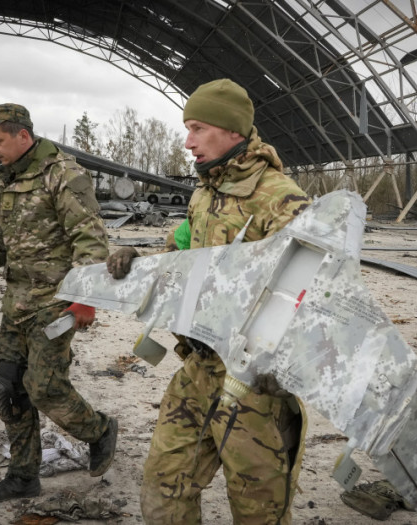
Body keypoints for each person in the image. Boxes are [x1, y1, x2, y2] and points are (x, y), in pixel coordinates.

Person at [107, 78, 312, 524]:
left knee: (259, 509)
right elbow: (182, 255)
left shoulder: (282, 199)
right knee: (165, 487)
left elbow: (314, 293)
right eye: (187, 128)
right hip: (197, 369)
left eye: (198, 128)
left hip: (252, 384)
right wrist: (140, 260)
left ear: (232, 130)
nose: (188, 141)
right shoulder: (204, 193)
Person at [0, 103, 117, 502]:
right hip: (17, 302)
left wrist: (86, 300)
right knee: (8, 389)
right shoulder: (8, 178)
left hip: (56, 303)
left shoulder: (63, 174)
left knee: (44, 388)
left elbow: (91, 239)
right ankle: (23, 476)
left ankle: (99, 429)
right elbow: (8, 235)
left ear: (23, 136)